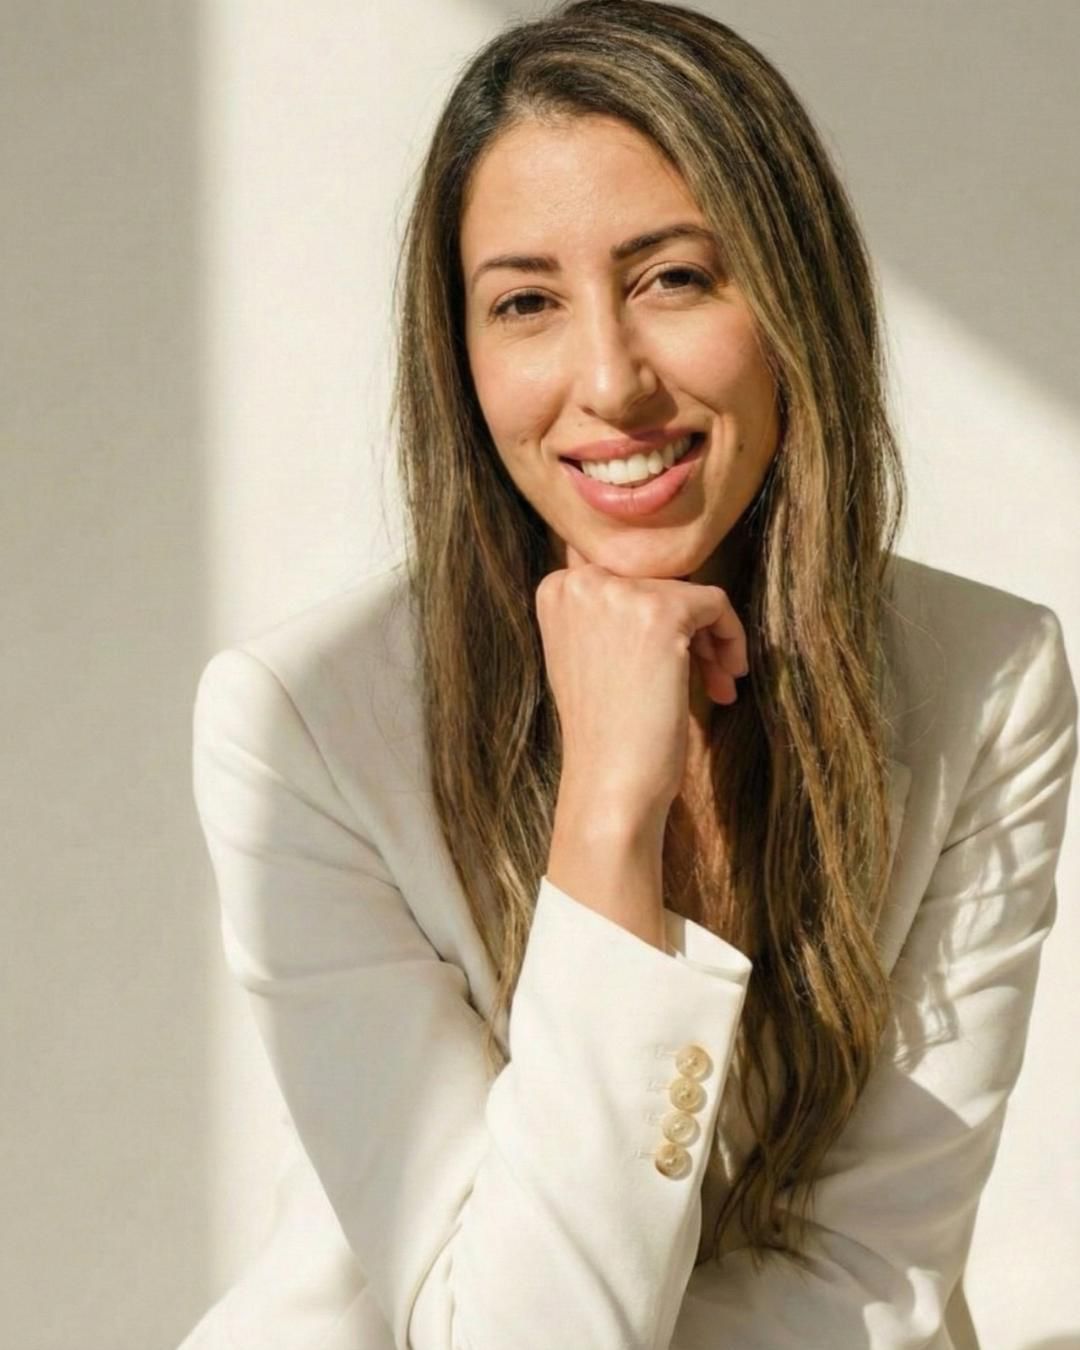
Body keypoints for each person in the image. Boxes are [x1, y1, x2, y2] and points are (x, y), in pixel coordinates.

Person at [177, 2, 1077, 1347]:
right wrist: (608, 810)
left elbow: (869, 1270)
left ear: (794, 295)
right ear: (461, 356)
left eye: (675, 279)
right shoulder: (303, 725)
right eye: (526, 303)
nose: (609, 381)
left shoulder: (991, 681)